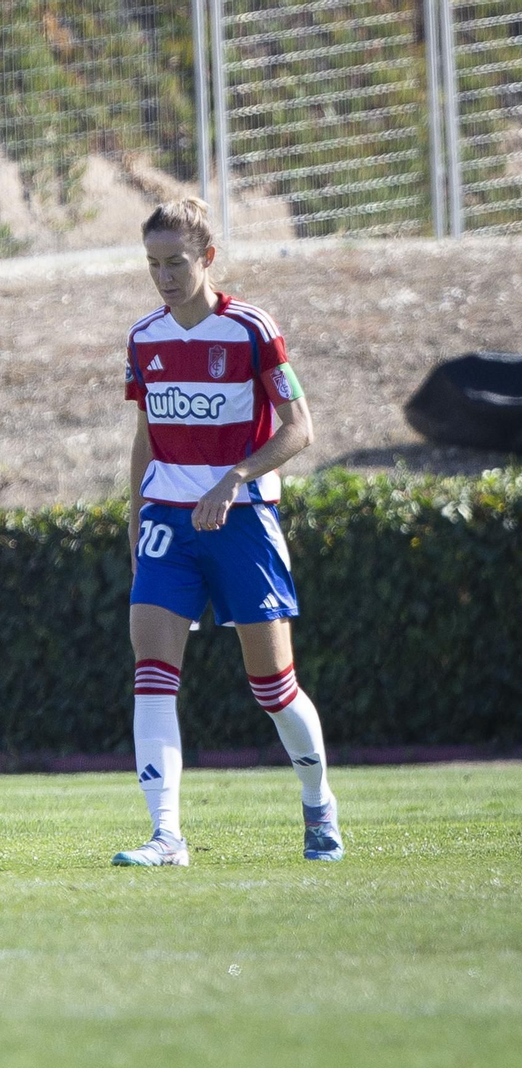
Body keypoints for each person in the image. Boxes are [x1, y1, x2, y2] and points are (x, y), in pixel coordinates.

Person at [115, 197, 342, 866]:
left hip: (242, 520)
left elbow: (301, 429)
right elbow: (145, 439)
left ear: (207, 258)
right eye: (153, 264)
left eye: (176, 263)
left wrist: (233, 479)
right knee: (152, 676)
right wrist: (135, 521)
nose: (164, 277)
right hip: (167, 522)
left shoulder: (252, 328)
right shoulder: (144, 338)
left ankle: (318, 803)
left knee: (272, 687)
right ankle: (167, 836)